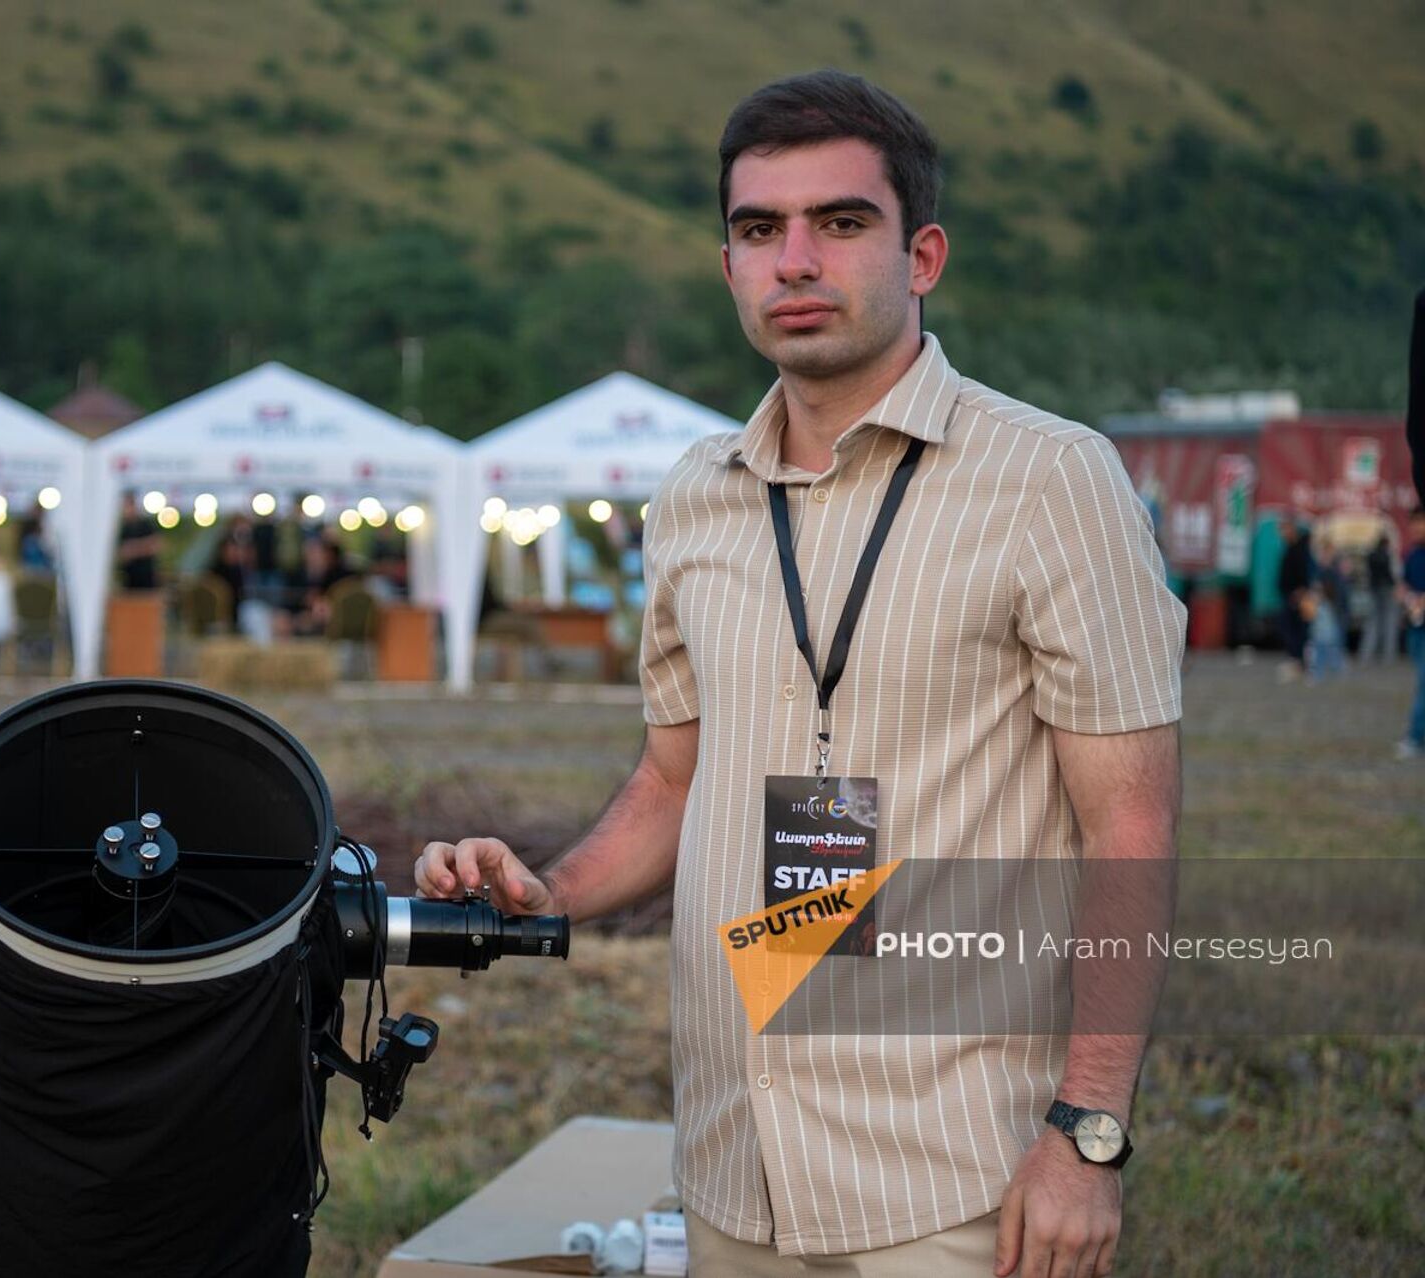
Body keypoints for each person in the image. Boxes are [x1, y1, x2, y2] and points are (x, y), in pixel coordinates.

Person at [415, 71, 1183, 1278]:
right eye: (759, 229)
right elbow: (674, 782)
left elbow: (1132, 826)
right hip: (732, 1165)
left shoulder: (1054, 482)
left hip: (954, 1179)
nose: (795, 261)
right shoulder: (694, 498)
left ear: (923, 254)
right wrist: (549, 892)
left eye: (840, 222)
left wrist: (1087, 1138)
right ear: (727, 267)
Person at [1397, 510, 1425, 759]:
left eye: (1421, 523)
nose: (1417, 528)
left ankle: (1415, 736)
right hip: (1415, 627)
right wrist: (1406, 597)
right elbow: (1403, 584)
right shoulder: (1412, 554)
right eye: (1414, 524)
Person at [1276, 514, 1313, 679]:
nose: (1282, 533)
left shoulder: (1300, 549)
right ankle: (1297, 660)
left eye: (1284, 529)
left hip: (1298, 597)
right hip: (1290, 595)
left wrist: (1300, 591)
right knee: (1290, 627)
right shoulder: (1291, 547)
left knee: (1297, 629)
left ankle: (1299, 661)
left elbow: (1304, 573)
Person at [1360, 534, 1399, 663]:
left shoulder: (1371, 556)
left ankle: (1366, 653)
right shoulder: (1386, 556)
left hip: (1374, 590)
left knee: (1372, 622)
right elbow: (1390, 574)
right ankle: (1388, 654)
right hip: (1386, 590)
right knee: (1389, 622)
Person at [115, 497, 162, 590]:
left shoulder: (145, 524)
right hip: (130, 578)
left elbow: (157, 544)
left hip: (146, 577)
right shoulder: (124, 528)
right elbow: (122, 553)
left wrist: (133, 549)